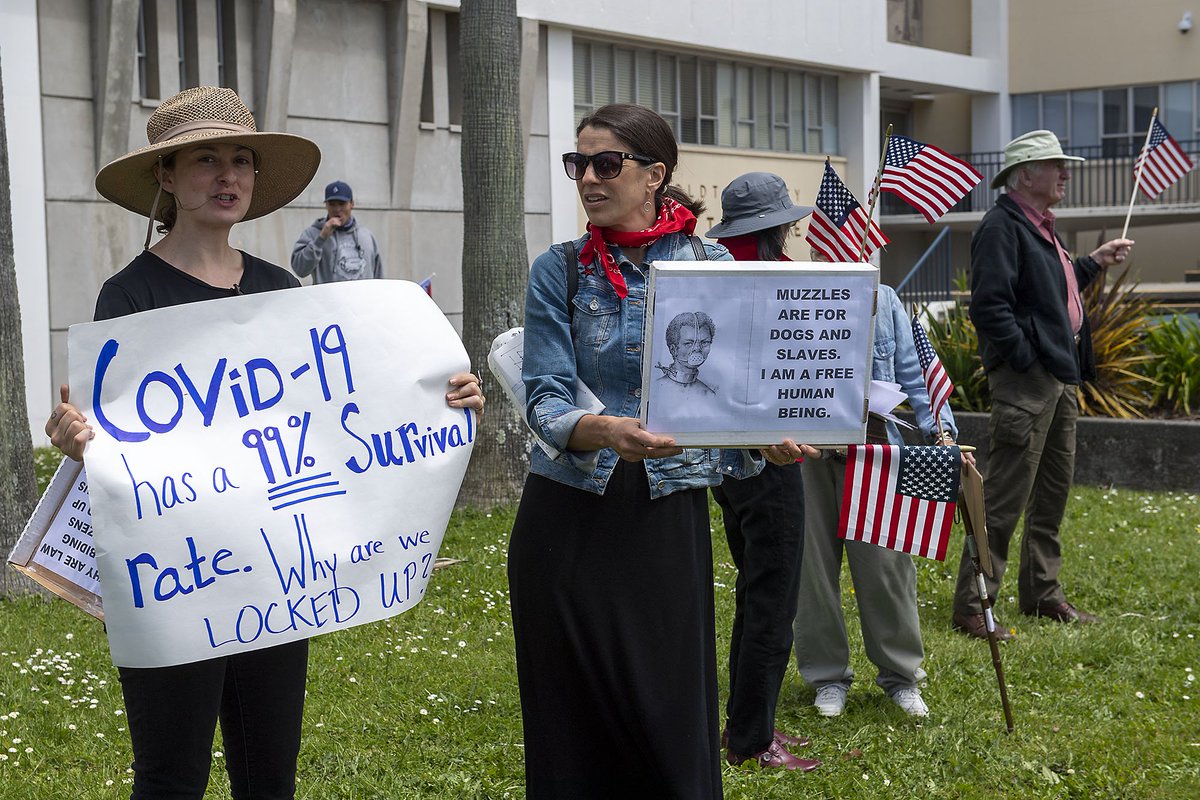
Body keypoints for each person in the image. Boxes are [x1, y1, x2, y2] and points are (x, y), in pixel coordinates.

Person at [45, 86, 484, 799]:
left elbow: (353, 404)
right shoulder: (127, 299)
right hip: (177, 577)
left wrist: (443, 396)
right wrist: (77, 439)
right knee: (169, 774)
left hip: (275, 575)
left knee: (268, 772)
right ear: (165, 176)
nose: (228, 177)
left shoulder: (282, 289)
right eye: (206, 160)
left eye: (241, 160)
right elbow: (116, 440)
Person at [508, 104, 812, 798]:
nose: (587, 177)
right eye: (577, 163)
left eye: (606, 163)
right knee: (569, 727)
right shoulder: (558, 271)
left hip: (662, 519)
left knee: (670, 721)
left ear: (654, 175)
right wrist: (608, 430)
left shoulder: (711, 265)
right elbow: (545, 400)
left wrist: (770, 441)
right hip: (566, 517)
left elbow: (738, 395)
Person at [950, 130, 1133, 640]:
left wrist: (1094, 262)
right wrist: (1029, 360)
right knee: (1006, 496)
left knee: (1052, 493)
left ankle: (1042, 594)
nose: (1066, 174)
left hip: (1057, 378)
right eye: (1057, 166)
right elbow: (989, 307)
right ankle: (973, 606)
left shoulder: (1037, 227)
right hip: (1030, 382)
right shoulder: (1001, 228)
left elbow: (1053, 292)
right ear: (1025, 175)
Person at [793, 243, 967, 718]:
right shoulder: (794, 296)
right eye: (825, 245)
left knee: (888, 569)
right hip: (809, 453)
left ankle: (902, 676)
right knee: (812, 573)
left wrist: (942, 430)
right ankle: (827, 677)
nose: (839, 253)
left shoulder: (886, 300)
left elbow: (916, 372)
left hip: (876, 452)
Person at [704, 172, 820, 771]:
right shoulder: (772, 277)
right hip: (769, 454)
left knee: (755, 589)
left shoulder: (717, 270)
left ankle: (749, 723)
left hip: (729, 455)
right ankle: (752, 739)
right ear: (776, 226)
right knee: (772, 597)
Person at [290, 180, 383, 283]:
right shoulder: (313, 234)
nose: (337, 209)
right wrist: (321, 239)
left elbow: (379, 278)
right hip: (327, 299)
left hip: (362, 299)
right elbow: (300, 270)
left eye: (342, 203)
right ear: (326, 205)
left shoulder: (366, 236)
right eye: (332, 204)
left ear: (352, 204)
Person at [654, 310, 718, 397]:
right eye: (689, 343)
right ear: (673, 349)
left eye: (704, 342)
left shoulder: (709, 395)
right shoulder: (655, 389)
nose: (697, 349)